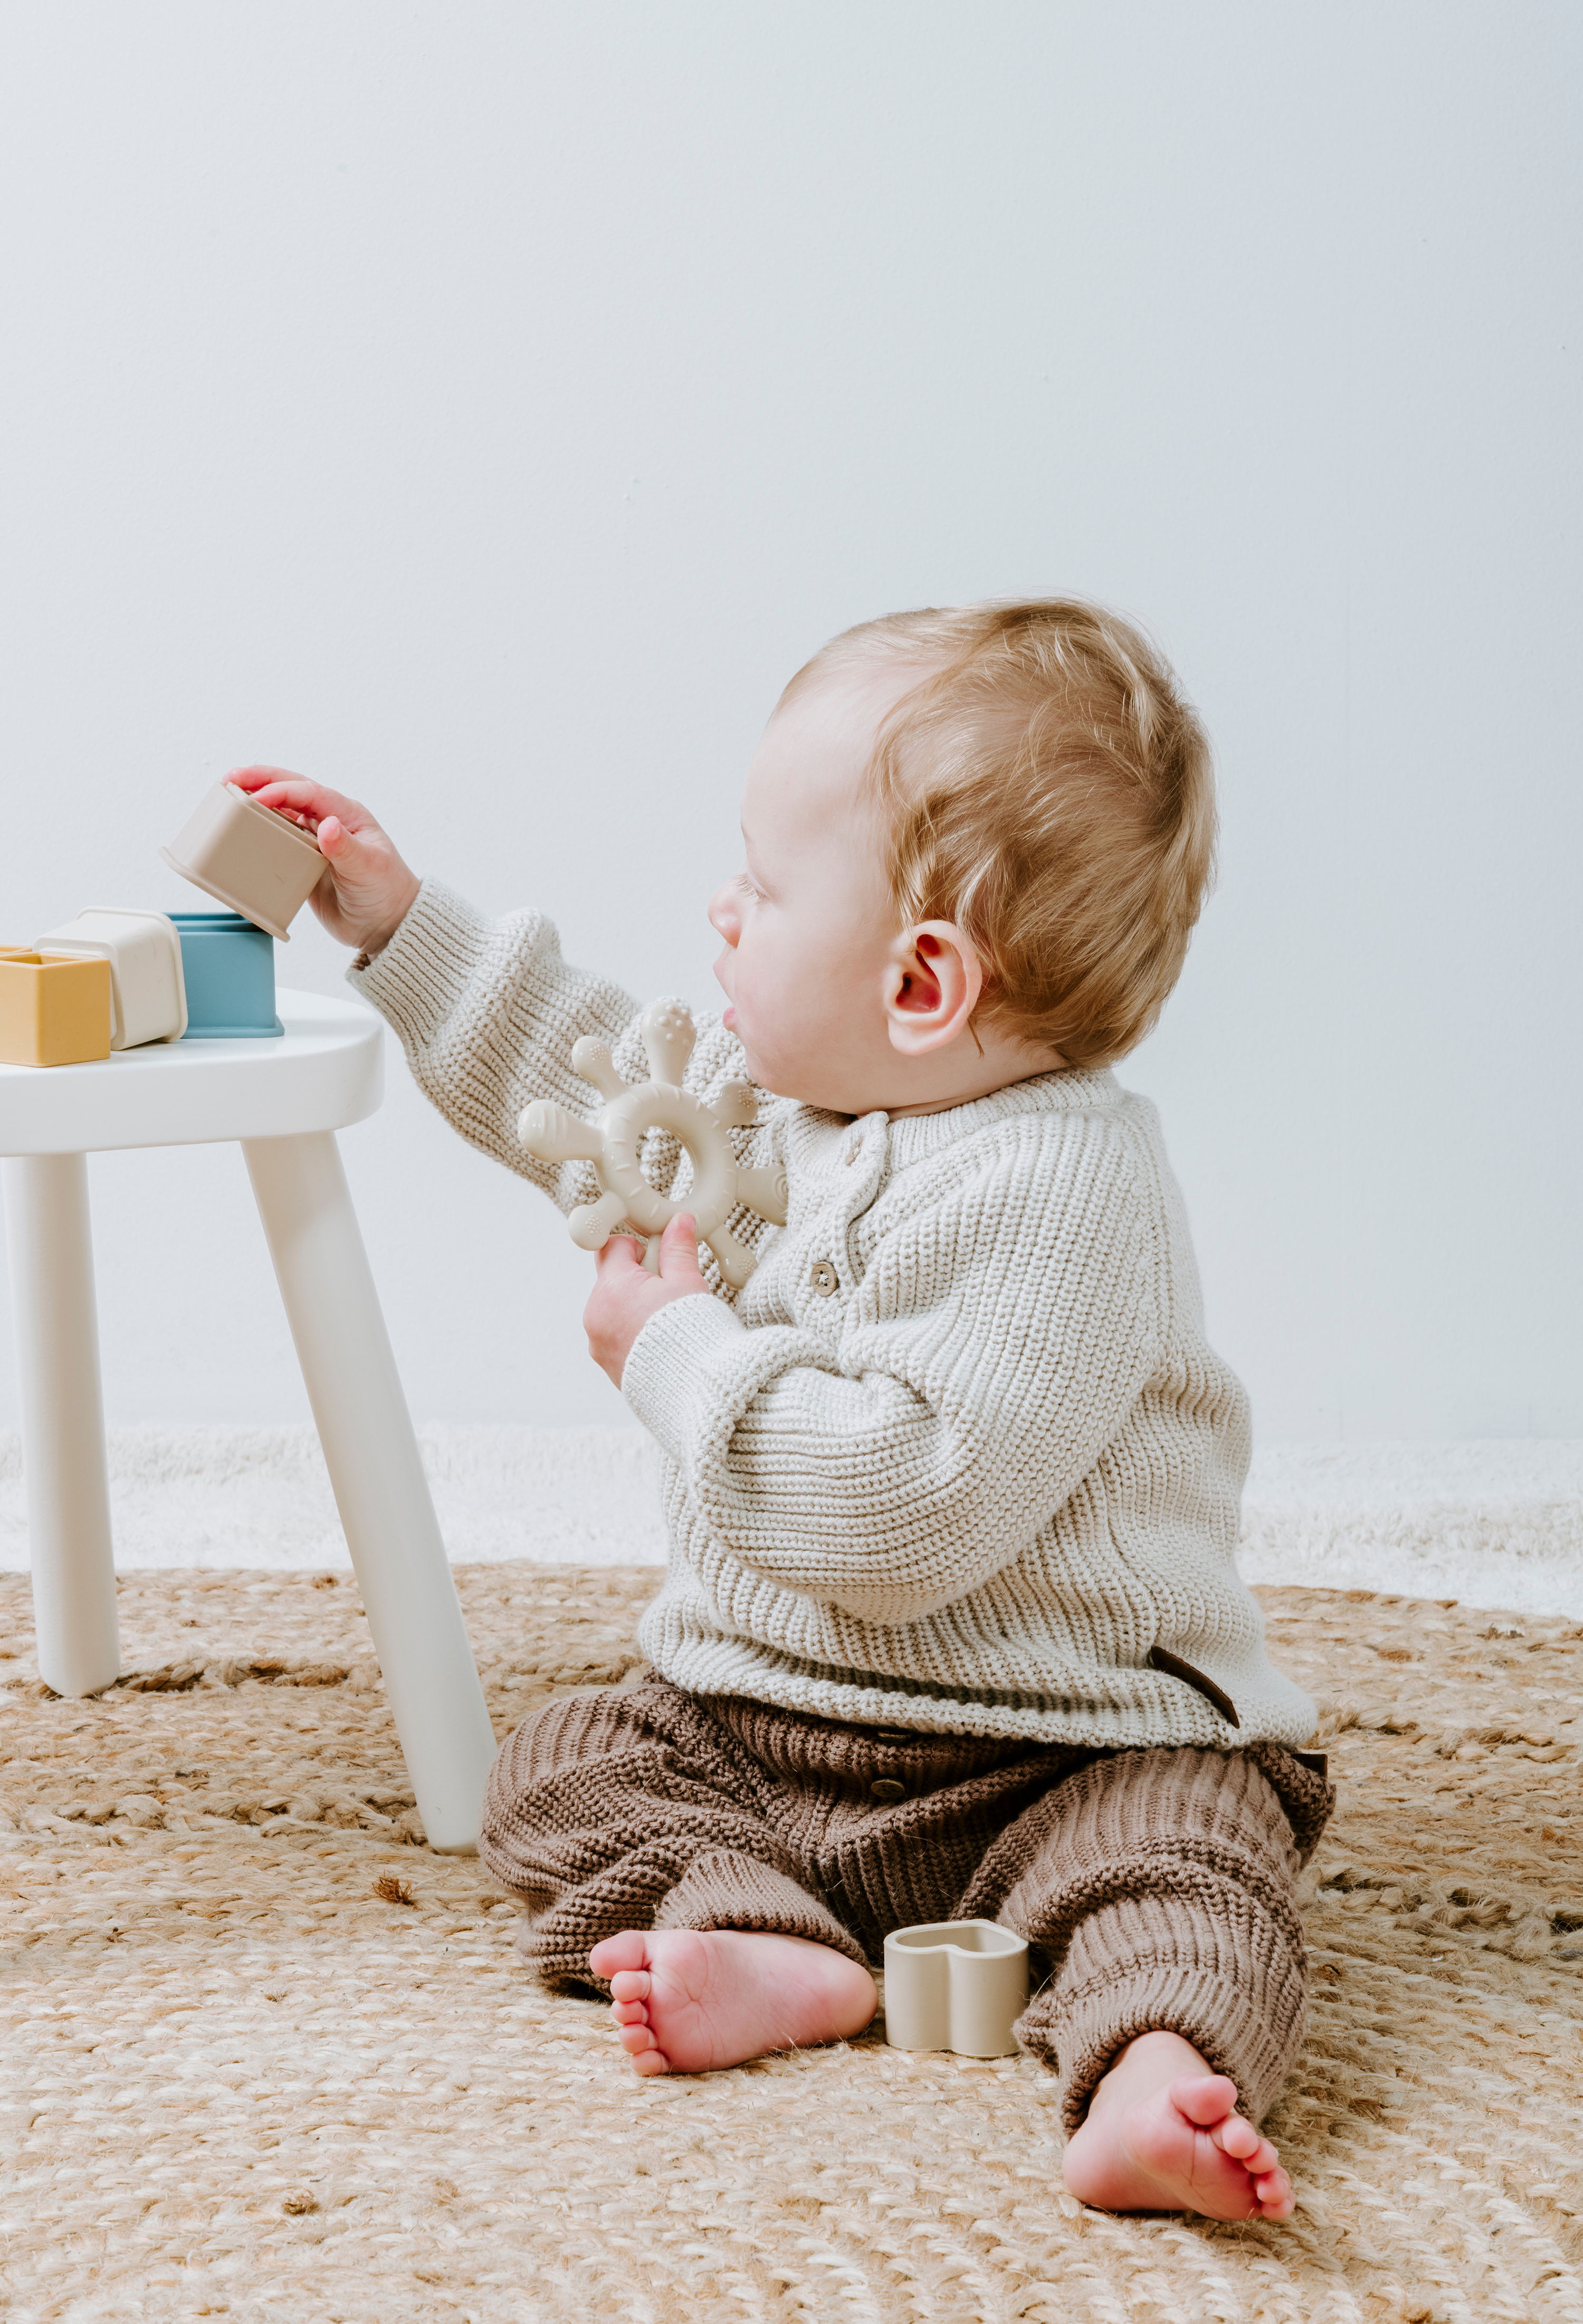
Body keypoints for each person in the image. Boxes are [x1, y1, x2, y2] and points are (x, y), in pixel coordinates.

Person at [234, 597, 1331, 2222]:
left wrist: (677, 1349)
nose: (720, 910)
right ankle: (768, 1928)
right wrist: (399, 924)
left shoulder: (1068, 1192)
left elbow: (904, 1509)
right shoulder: (785, 1108)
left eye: (760, 883)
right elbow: (589, 1078)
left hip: (1063, 1751)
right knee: (565, 1762)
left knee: (1198, 1859)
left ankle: (1158, 2067)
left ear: (922, 979)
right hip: (763, 1728)